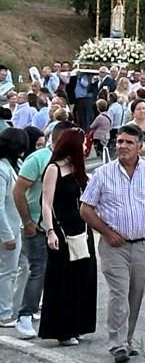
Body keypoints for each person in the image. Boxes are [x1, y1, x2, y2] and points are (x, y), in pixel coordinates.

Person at [79, 123, 145, 360]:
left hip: (143, 243)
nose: (123, 146)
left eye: (129, 142)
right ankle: (117, 344)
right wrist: (107, 233)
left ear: (140, 146)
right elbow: (86, 209)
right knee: (119, 292)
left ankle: (127, 339)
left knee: (136, 293)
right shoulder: (103, 174)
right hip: (113, 246)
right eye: (119, 142)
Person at [38, 128, 99, 346]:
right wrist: (50, 230)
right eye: (83, 143)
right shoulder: (54, 169)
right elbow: (46, 202)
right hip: (62, 228)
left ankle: (79, 324)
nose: (85, 147)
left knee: (85, 276)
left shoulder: (80, 170)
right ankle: (62, 329)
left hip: (82, 228)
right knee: (63, 278)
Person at [9, 127, 50, 339]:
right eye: (39, 144)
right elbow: (18, 191)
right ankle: (23, 314)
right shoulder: (37, 160)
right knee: (35, 269)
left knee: (34, 269)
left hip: (52, 226)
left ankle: (26, 310)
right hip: (32, 224)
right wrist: (27, 221)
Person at [0, 127, 27, 327]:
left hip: (16, 225)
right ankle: (4, 312)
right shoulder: (2, 170)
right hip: (8, 227)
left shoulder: (15, 164)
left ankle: (14, 307)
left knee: (18, 267)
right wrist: (7, 235)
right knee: (7, 271)